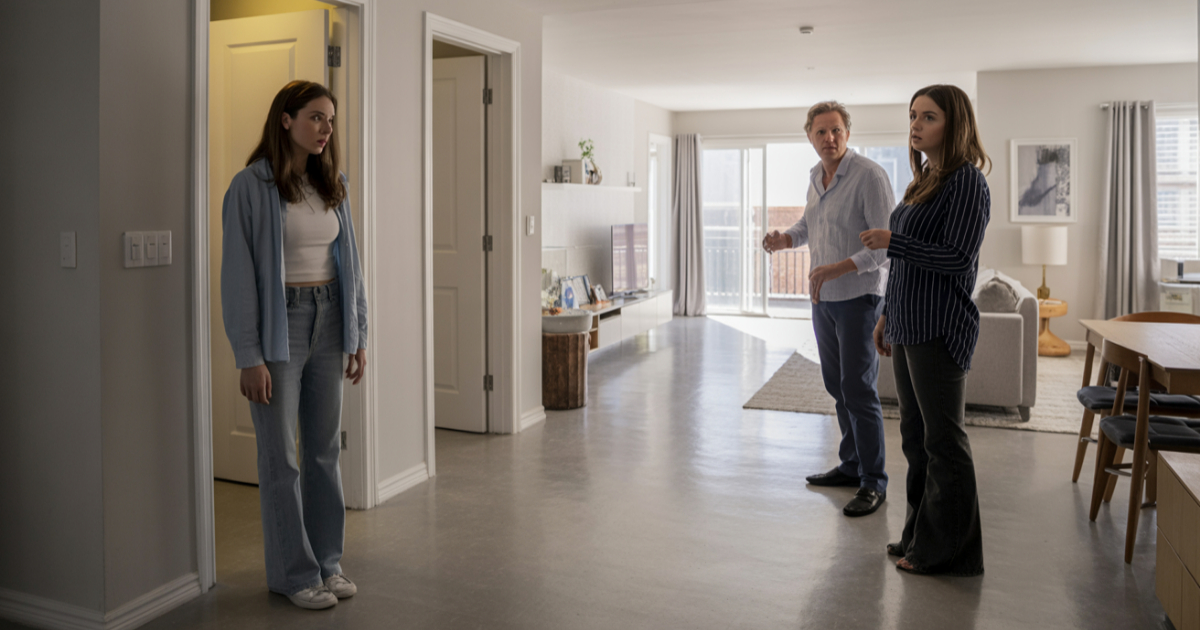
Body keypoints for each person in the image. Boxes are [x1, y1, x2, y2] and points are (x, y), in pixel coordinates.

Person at [221, 80, 369, 608]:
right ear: (286, 119)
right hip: (278, 329)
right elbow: (238, 277)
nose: (326, 129)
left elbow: (349, 264)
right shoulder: (250, 186)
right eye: (315, 117)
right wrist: (249, 355)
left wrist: (357, 333)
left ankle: (327, 564)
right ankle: (294, 573)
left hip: (329, 320)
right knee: (280, 458)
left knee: (324, 451)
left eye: (330, 120)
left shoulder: (334, 185)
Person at [860, 84, 990, 576]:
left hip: (940, 327)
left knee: (944, 443)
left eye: (928, 117)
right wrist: (887, 314)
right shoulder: (923, 181)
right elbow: (904, 266)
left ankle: (950, 553)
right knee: (916, 439)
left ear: (953, 125)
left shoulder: (966, 183)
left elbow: (958, 260)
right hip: (909, 323)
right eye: (913, 115)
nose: (916, 125)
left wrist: (896, 240)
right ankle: (920, 537)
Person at [762, 101, 895, 517]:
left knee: (859, 390)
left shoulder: (870, 176)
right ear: (810, 137)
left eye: (836, 130)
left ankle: (874, 481)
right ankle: (851, 465)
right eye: (820, 132)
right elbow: (810, 226)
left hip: (859, 299)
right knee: (837, 388)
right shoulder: (815, 178)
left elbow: (885, 246)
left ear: (848, 133)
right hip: (824, 301)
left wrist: (839, 268)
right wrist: (786, 239)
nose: (829, 138)